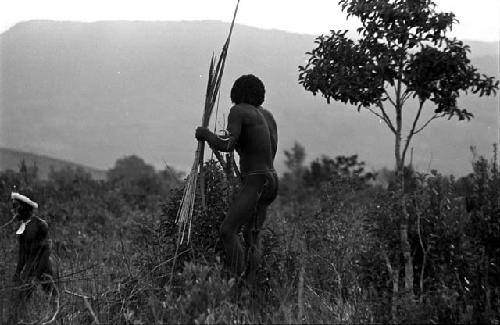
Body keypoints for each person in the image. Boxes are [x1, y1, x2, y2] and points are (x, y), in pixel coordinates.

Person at [195, 74, 278, 282]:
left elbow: (227, 144)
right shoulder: (267, 117)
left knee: (227, 231)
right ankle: (251, 292)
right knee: (252, 237)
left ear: (236, 93)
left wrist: (205, 134)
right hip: (271, 180)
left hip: (256, 181)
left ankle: (239, 286)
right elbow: (271, 148)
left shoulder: (238, 110)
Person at [11, 192, 56, 295]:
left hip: (44, 268)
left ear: (25, 208)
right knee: (23, 298)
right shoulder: (22, 228)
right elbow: (22, 253)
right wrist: (18, 272)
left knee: (50, 296)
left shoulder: (41, 225)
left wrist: (36, 275)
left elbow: (47, 250)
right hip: (29, 270)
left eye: (16, 207)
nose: (14, 211)